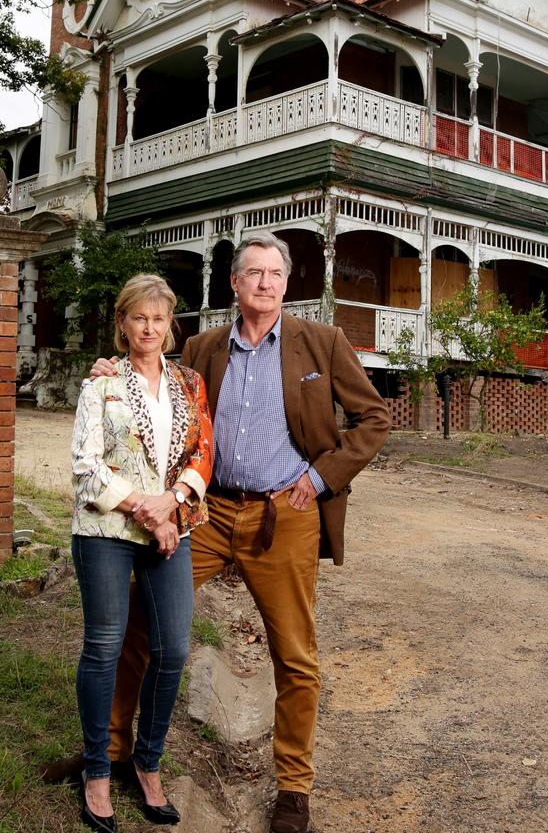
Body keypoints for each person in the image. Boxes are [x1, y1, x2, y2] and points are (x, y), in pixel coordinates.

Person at [56, 233, 391, 833]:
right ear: (233, 284)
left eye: (275, 273)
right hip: (205, 514)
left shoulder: (323, 343)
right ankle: (108, 751)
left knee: (294, 654)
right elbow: (150, 377)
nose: (265, 282)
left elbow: (374, 417)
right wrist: (108, 366)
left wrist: (319, 479)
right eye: (253, 273)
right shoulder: (207, 347)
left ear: (288, 284)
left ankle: (293, 787)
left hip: (282, 513)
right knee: (138, 627)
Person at [70, 273, 212, 832]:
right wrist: (145, 509)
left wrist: (171, 504)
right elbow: (86, 466)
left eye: (158, 318)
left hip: (172, 527)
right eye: (138, 318)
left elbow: (202, 451)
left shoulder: (189, 382)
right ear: (123, 323)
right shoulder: (99, 384)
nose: (149, 328)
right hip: (106, 530)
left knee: (173, 649)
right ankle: (98, 770)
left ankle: (147, 764)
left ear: (169, 324)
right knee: (104, 647)